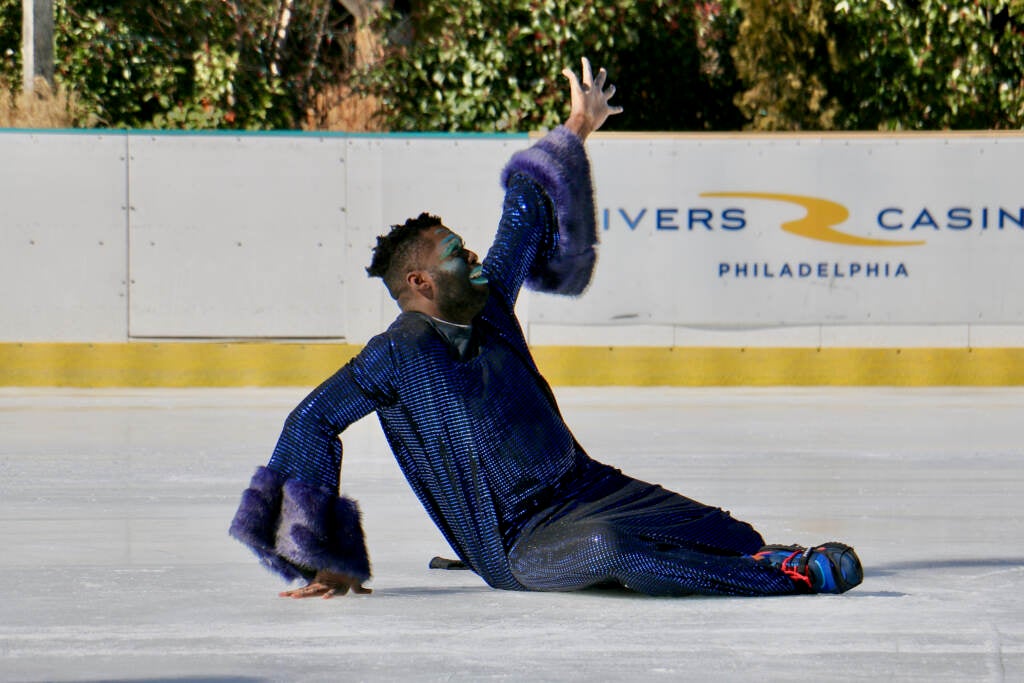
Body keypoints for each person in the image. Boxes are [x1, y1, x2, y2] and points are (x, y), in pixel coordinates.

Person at [229, 58, 863, 599]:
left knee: (733, 534)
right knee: (614, 549)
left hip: (589, 488)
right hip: (518, 540)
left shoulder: (489, 304)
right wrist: (322, 555)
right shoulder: (400, 351)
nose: (473, 256)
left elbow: (525, 212)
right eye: (455, 252)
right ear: (419, 283)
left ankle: (742, 560)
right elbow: (312, 420)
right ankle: (785, 581)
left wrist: (578, 125)